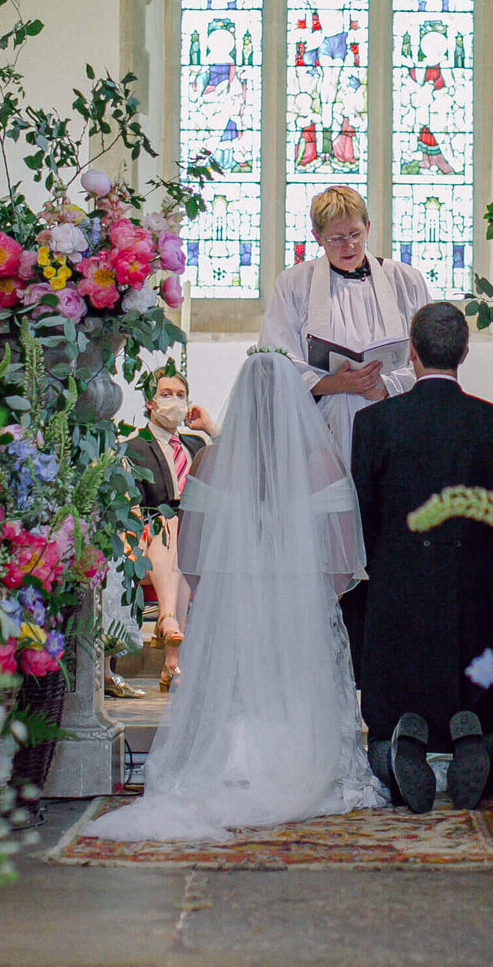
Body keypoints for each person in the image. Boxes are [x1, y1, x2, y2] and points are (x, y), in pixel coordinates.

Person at [85, 351, 385, 842]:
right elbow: (346, 557)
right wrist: (312, 601)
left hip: (234, 605)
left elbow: (194, 550)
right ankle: (296, 765)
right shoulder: (324, 461)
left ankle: (234, 764)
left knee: (237, 691)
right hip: (297, 608)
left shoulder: (210, 458)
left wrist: (221, 598)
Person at [351, 301, 493, 813]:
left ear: (412, 351)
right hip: (478, 601)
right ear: (465, 352)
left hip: (399, 600)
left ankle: (398, 747)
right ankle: (482, 745)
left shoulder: (374, 423)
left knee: (384, 722)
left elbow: (363, 520)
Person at [258, 186, 430, 471]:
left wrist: (387, 385)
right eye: (336, 239)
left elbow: (430, 358)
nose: (348, 246)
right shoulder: (294, 284)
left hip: (395, 420)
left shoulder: (404, 280)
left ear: (368, 227)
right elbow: (276, 362)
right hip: (324, 429)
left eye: (355, 234)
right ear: (317, 238)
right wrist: (337, 383)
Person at [125, 370, 218, 693]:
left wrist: (211, 430)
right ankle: (173, 641)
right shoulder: (134, 447)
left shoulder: (197, 444)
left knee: (182, 529)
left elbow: (234, 470)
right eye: (167, 394)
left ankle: (169, 630)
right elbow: (133, 506)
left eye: (181, 394)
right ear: (150, 402)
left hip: (198, 538)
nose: (175, 401)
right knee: (170, 524)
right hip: (153, 538)